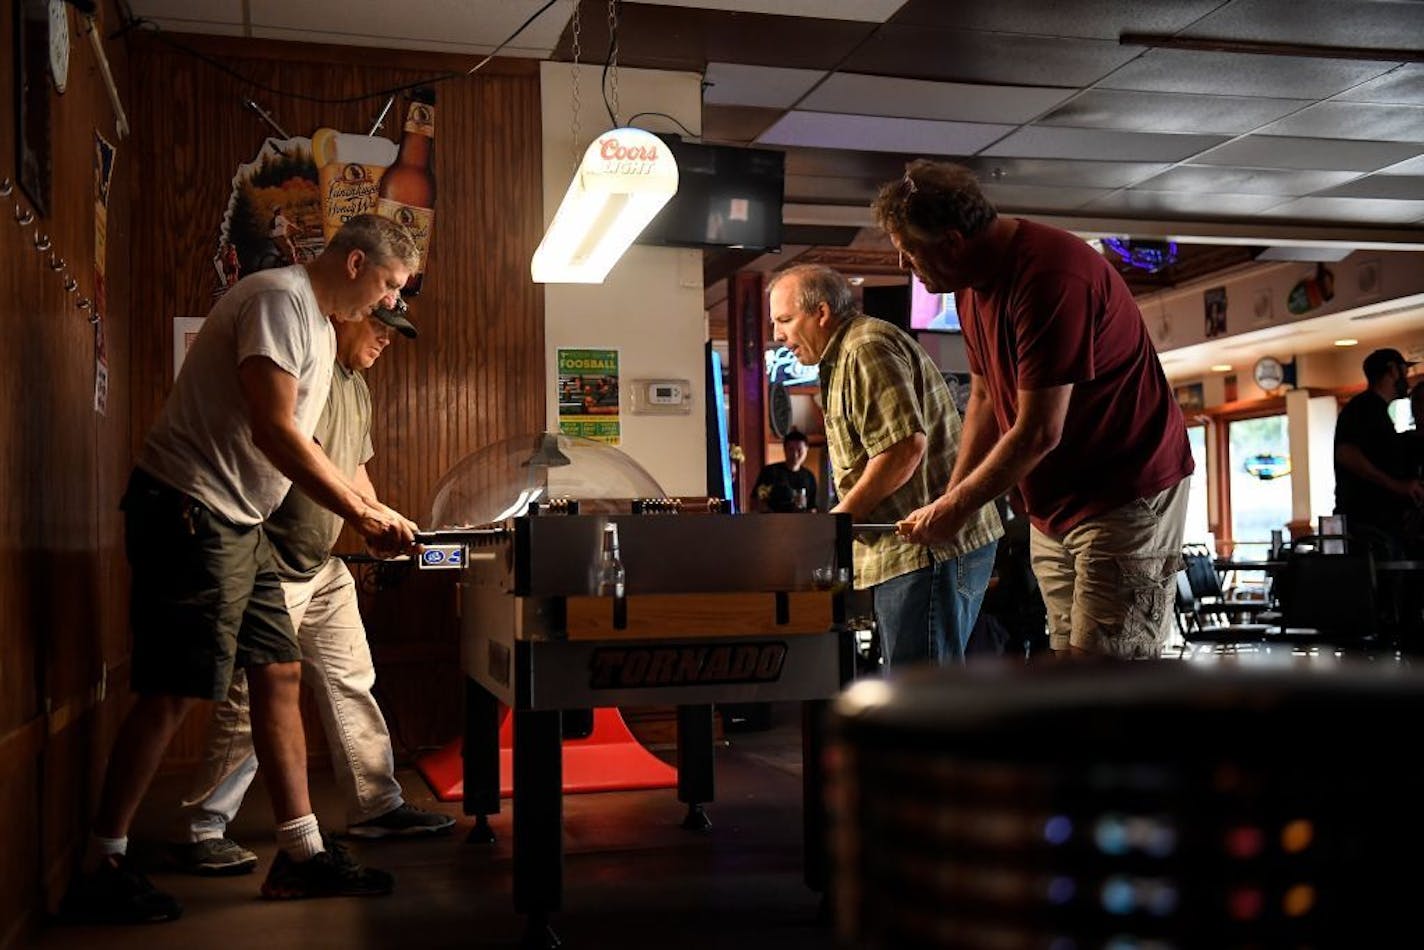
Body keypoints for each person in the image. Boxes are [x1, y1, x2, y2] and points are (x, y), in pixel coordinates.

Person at [62, 214, 421, 924]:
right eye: (387, 286)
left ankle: (302, 853)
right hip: (190, 508)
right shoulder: (279, 300)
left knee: (278, 670)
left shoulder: (319, 325)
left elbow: (307, 447)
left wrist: (365, 509)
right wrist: (359, 511)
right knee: (172, 687)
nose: (387, 304)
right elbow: (274, 428)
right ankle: (101, 862)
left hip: (242, 521)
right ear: (354, 264)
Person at [171, 299, 452, 878]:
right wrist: (367, 516)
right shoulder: (314, 368)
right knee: (252, 704)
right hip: (271, 559)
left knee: (354, 680)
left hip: (323, 564)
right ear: (347, 316)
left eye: (394, 334)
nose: (385, 340)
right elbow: (305, 453)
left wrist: (378, 518)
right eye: (378, 326)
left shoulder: (358, 389)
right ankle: (203, 828)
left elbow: (352, 470)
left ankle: (377, 804)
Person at [873, 160, 1193, 661]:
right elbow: (981, 399)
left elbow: (1040, 431)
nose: (903, 267)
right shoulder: (970, 285)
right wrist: (953, 499)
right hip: (1055, 509)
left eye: (909, 254)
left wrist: (956, 510)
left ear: (953, 243)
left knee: (1108, 677)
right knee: (1069, 677)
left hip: (1123, 495)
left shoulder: (1048, 277)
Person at [768, 263, 1002, 669]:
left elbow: (902, 449)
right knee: (919, 694)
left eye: (785, 320)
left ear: (821, 313)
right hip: (913, 549)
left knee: (921, 700)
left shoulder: (864, 348)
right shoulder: (845, 353)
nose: (777, 335)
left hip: (927, 548)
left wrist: (836, 524)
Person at [1333, 347, 1423, 557]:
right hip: (1369, 525)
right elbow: (1346, 453)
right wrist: (1397, 486)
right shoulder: (1364, 408)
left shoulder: (1376, 412)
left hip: (1380, 524)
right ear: (1392, 370)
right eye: (1404, 371)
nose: (1407, 379)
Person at [753, 429, 818, 512]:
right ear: (784, 449)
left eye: (799, 450)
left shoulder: (809, 476)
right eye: (791, 449)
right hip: (772, 522)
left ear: (806, 449)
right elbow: (755, 501)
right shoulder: (770, 472)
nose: (795, 454)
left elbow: (812, 507)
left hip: (801, 522)